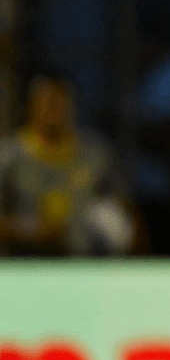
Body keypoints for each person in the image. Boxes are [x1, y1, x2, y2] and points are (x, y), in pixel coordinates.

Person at [0, 74, 134, 255]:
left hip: (85, 262)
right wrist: (29, 231)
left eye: (61, 102)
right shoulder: (9, 156)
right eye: (47, 102)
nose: (54, 110)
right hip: (27, 262)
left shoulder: (95, 153)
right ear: (31, 106)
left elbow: (121, 207)